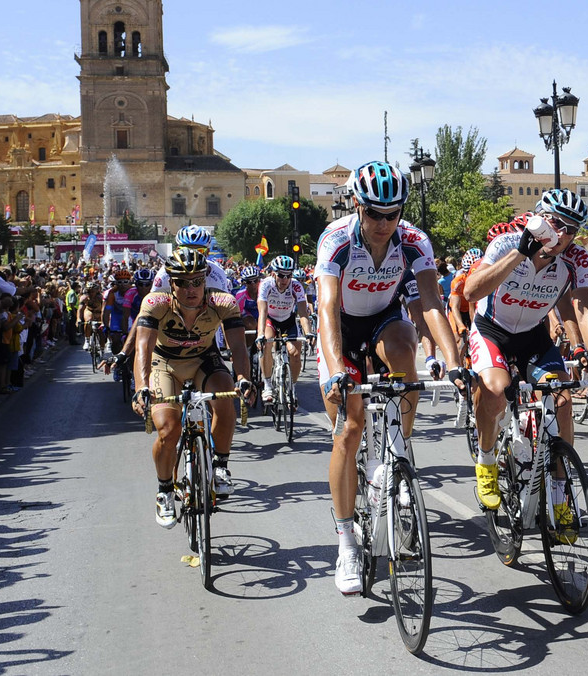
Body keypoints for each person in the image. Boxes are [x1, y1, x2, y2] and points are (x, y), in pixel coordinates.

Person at [315, 160, 468, 595]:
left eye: (392, 214)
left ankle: (398, 452)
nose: (384, 223)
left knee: (405, 351)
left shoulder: (415, 241)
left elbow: (432, 304)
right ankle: (346, 541)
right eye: (374, 214)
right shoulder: (337, 240)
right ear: (357, 207)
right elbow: (326, 309)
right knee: (349, 427)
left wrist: (454, 363)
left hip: (384, 319)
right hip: (340, 327)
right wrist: (335, 372)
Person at [463, 189, 588, 516]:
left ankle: (560, 496)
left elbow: (585, 311)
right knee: (496, 393)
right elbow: (471, 291)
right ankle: (486, 463)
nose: (561, 235)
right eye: (555, 223)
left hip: (532, 336)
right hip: (492, 330)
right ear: (538, 217)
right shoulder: (505, 244)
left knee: (563, 400)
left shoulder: (577, 258)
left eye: (571, 229)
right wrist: (520, 252)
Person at [130, 249, 253, 528]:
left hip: (203, 360)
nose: (191, 289)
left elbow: (236, 346)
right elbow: (143, 349)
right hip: (165, 364)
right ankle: (163, 491)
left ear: (205, 281)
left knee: (225, 401)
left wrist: (243, 377)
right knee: (168, 428)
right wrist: (141, 387)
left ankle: (220, 467)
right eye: (183, 283)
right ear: (171, 283)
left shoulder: (222, 302)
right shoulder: (155, 303)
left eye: (197, 281)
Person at [256, 255, 313, 403]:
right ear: (273, 273)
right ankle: (267, 385)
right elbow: (262, 312)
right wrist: (260, 334)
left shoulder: (296, 286)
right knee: (266, 344)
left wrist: (308, 333)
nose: (285, 279)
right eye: (281, 275)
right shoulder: (266, 285)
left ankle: (292, 388)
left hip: (288, 321)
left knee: (295, 354)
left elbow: (303, 312)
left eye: (288, 275)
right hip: (271, 320)